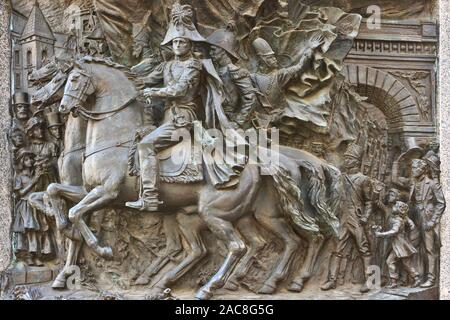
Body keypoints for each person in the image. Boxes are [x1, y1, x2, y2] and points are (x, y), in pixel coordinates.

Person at [126, 2, 244, 211]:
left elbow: (179, 90)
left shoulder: (194, 65)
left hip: (184, 118)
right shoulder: (168, 65)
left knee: (146, 145)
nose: (178, 45)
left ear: (190, 44)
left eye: (182, 42)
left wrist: (155, 92)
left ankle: (150, 197)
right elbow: (143, 81)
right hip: (167, 118)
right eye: (175, 42)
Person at [321, 143, 374, 293]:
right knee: (337, 249)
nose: (345, 160)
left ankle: (370, 281)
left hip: (356, 217)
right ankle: (332, 280)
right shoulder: (341, 177)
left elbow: (369, 202)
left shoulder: (363, 179)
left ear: (355, 161)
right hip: (342, 217)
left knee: (364, 248)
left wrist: (365, 216)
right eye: (346, 157)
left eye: (348, 158)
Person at [250, 36, 322, 130]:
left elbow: (299, 67)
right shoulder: (252, 78)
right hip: (260, 117)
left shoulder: (280, 75)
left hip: (280, 114)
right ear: (262, 59)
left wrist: (310, 49)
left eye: (274, 57)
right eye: (270, 57)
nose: (274, 59)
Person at [207, 24, 258, 129]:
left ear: (224, 51)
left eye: (214, 49)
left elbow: (250, 98)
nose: (210, 53)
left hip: (228, 119)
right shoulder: (212, 70)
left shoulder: (236, 72)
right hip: (211, 118)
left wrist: (238, 122)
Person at [12, 149, 53, 266]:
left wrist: (39, 178)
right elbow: (19, 193)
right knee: (29, 231)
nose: (29, 161)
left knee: (39, 231)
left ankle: (37, 255)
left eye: (31, 159)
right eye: (26, 159)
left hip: (36, 206)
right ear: (21, 162)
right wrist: (33, 182)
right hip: (25, 206)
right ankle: (27, 256)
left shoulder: (37, 174)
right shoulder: (20, 177)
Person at [374, 201, 421, 289]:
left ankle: (399, 281)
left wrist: (381, 234)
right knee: (403, 263)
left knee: (393, 262)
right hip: (399, 245)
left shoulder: (398, 220)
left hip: (400, 245)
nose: (393, 207)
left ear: (399, 209)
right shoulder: (401, 217)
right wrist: (411, 223)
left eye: (396, 206)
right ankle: (401, 280)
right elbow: (408, 220)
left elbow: (394, 231)